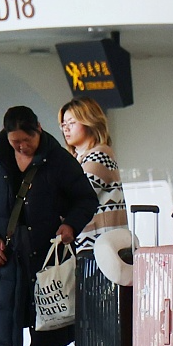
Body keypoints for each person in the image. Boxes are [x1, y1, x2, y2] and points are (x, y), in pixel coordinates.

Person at [0, 106, 97, 346]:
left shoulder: (58, 160)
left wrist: (70, 225)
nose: (22, 147)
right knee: (5, 323)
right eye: (16, 142)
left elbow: (85, 198)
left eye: (26, 141)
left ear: (38, 130)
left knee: (48, 321)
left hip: (45, 256)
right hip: (6, 258)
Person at [59, 99, 126, 253]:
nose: (66, 129)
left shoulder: (99, 155)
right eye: (63, 125)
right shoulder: (77, 159)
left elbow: (73, 198)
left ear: (89, 122)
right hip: (91, 247)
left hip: (102, 250)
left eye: (72, 123)